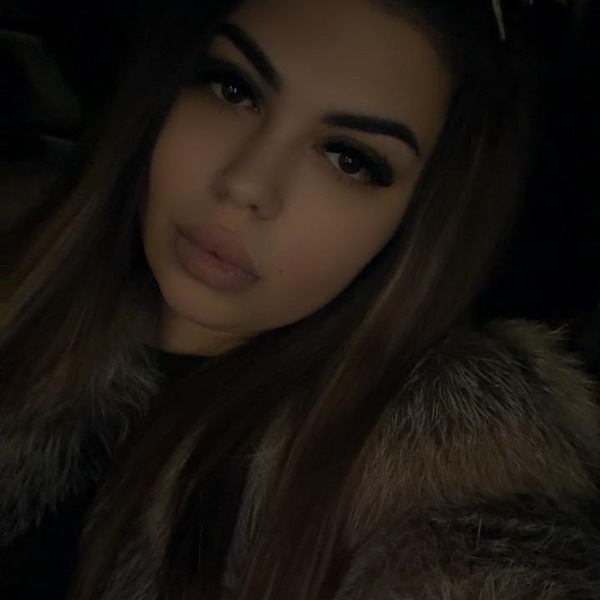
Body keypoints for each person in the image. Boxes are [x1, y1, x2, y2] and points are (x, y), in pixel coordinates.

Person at [1, 0, 599, 598]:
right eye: (234, 89)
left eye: (348, 159)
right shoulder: (22, 260)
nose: (246, 184)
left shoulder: (455, 464)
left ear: (419, 221)